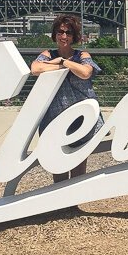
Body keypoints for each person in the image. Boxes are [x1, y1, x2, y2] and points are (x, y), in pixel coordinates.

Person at [31, 14, 104, 183]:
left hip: (81, 114)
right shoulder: (48, 54)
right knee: (57, 158)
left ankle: (73, 201)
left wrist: (63, 62)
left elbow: (86, 72)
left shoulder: (82, 55)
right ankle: (60, 200)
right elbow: (35, 68)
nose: (64, 36)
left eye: (68, 33)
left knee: (78, 158)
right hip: (55, 115)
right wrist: (59, 63)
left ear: (74, 36)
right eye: (60, 32)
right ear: (55, 34)